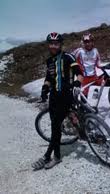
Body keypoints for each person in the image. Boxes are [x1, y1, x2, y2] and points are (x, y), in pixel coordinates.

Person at [32, 32, 83, 170]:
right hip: (53, 97)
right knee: (56, 127)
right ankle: (54, 155)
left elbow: (79, 72)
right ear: (49, 45)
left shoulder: (68, 57)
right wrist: (44, 90)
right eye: (51, 43)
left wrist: (78, 84)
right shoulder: (49, 61)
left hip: (66, 96)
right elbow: (49, 78)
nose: (54, 46)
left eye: (56, 43)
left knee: (55, 126)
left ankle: (50, 156)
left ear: (60, 44)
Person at [72, 32, 110, 109]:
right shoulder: (79, 51)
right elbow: (69, 58)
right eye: (86, 42)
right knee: (84, 97)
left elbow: (98, 64)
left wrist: (105, 66)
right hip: (84, 79)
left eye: (89, 41)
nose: (87, 44)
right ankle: (83, 110)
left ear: (92, 42)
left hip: (94, 77)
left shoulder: (95, 51)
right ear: (83, 42)